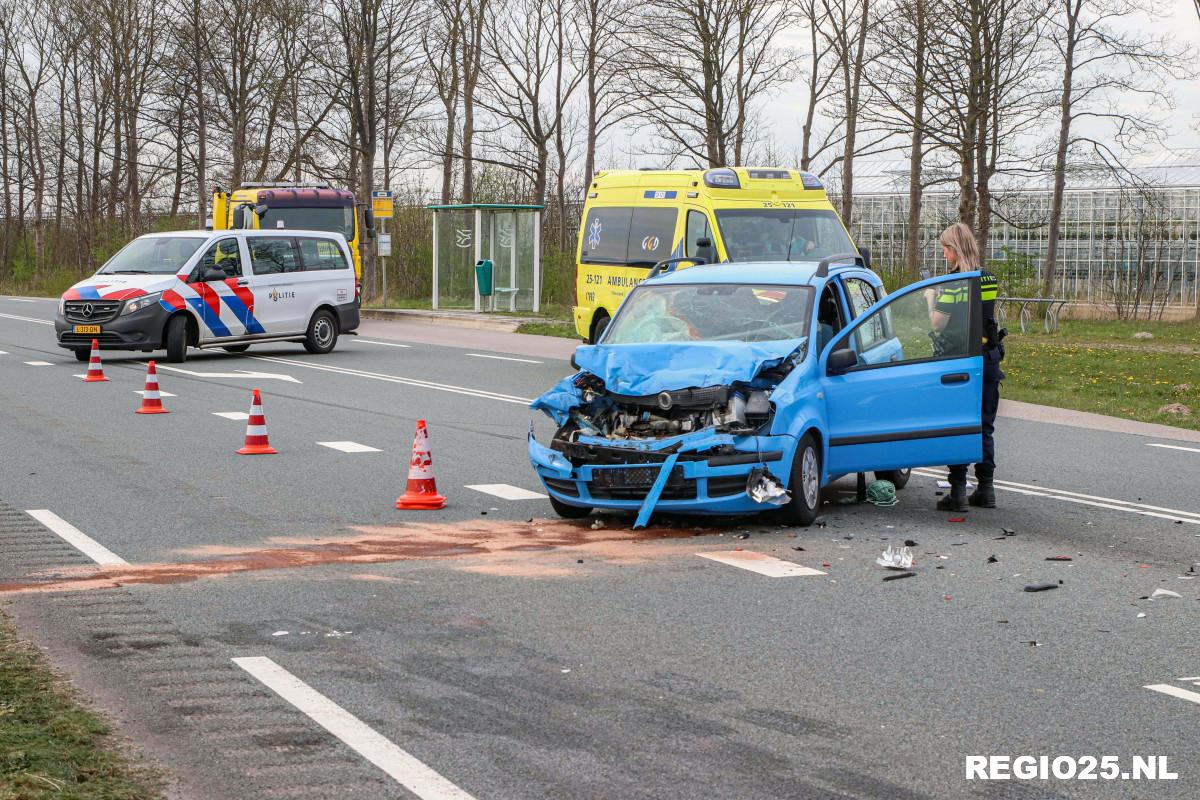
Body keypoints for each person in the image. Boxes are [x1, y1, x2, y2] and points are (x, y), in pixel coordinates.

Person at [925, 222, 1004, 511]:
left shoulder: (953, 283)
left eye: (945, 249)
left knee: (958, 425)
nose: (944, 255)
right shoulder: (988, 279)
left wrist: (931, 298)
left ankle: (958, 491)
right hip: (987, 359)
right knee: (984, 426)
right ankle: (986, 489)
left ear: (955, 250)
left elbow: (939, 323)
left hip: (958, 362)